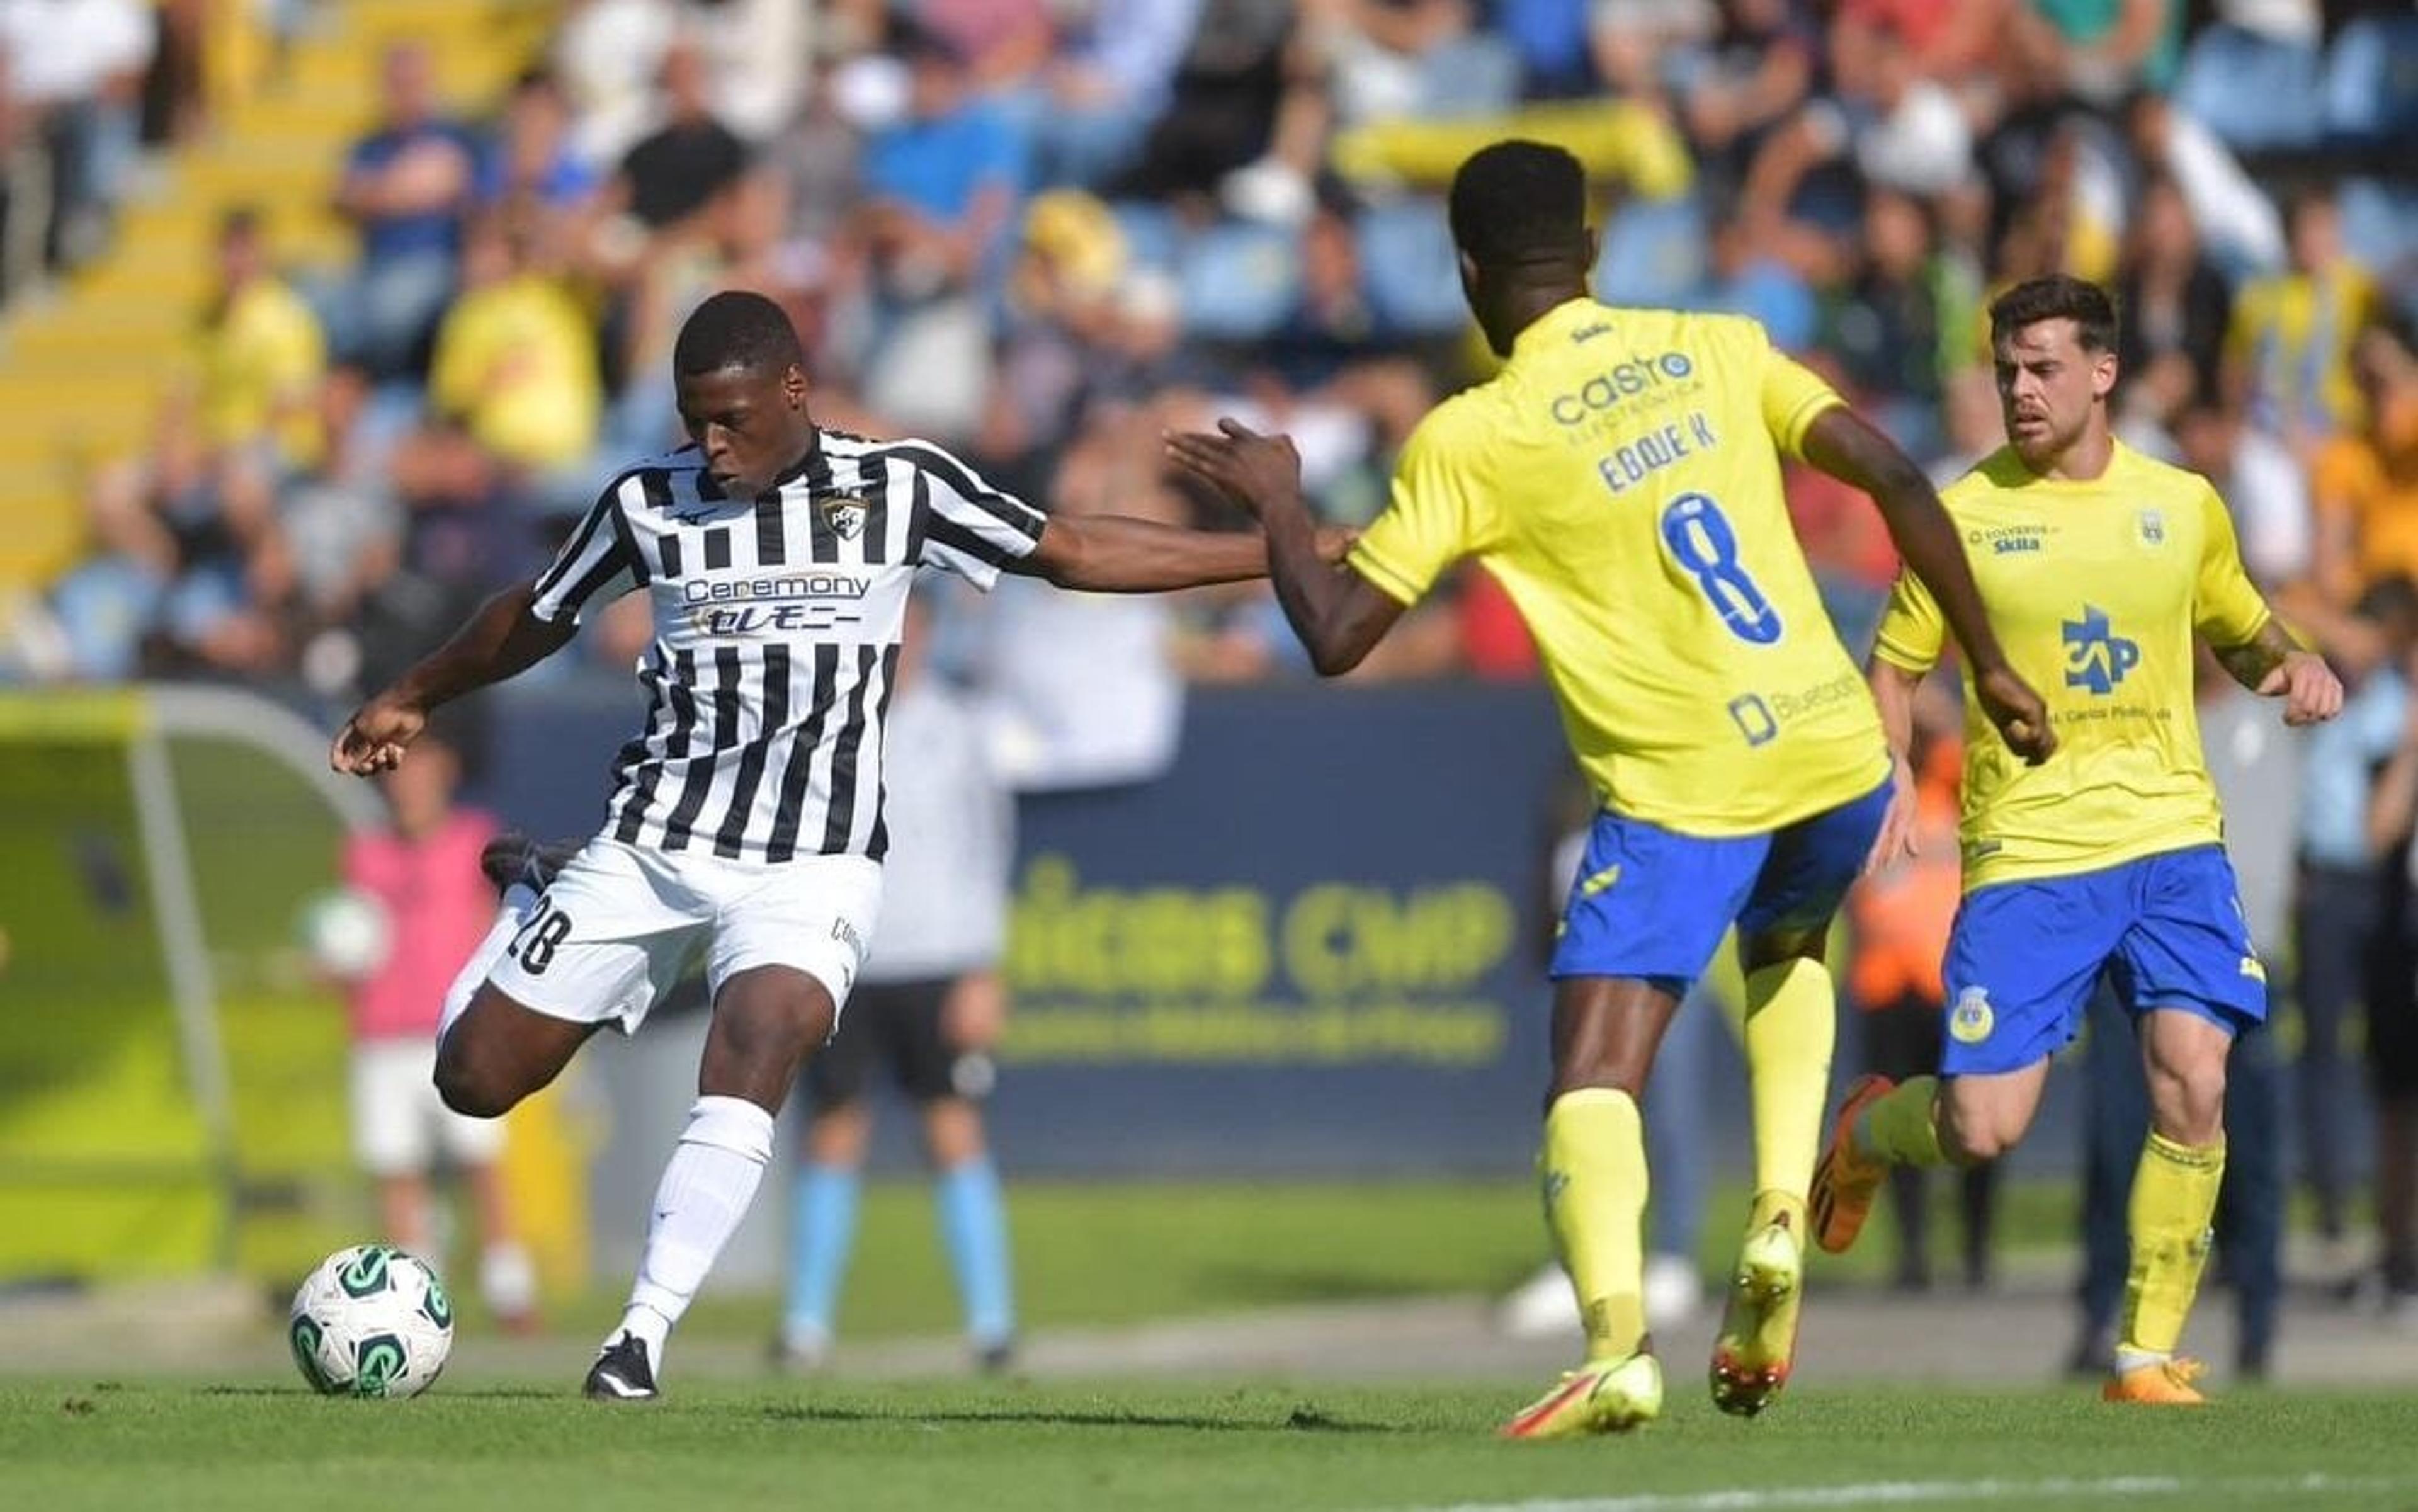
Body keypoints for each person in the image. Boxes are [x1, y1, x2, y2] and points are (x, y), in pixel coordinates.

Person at [1167, 139, 2053, 1438]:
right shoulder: (1719, 343)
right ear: (1590, 252)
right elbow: (1903, 479)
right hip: (1832, 755)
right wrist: (1988, 664)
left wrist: (1282, 504)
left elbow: (1339, 633)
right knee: (1790, 944)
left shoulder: (1473, 436)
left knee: (1592, 1068)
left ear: (1468, 273)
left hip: (1685, 785)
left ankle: (1616, 1347)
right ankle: (1775, 1207)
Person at [331, 289, 1300, 1402]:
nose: (713, 443)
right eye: (696, 418)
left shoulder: (899, 487)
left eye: (733, 417)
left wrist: (1278, 549)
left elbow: (1072, 550)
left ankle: (638, 1340)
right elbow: (538, 611)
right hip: (656, 842)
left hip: (814, 860)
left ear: (796, 389)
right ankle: (531, 900)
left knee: (765, 1031)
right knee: (473, 1082)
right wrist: (412, 692)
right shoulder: (651, 503)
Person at [1811, 274, 2345, 1406]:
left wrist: (2292, 663)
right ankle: (1872, 1132)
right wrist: (1892, 765)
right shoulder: (1961, 515)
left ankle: (2146, 1355)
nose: (2021, 389)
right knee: (1984, 1124)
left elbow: (2242, 630)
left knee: (2194, 1078)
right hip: (2032, 855)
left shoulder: (2183, 504)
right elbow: (1895, 665)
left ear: (2103, 373)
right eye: (2008, 369)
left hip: (2170, 840)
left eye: (2043, 366)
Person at [776, 591, 1019, 1374]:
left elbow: (990, 848)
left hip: (939, 959)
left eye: (912, 626)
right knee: (833, 1133)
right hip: (848, 957)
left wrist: (983, 967)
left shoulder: (959, 728)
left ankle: (992, 1324)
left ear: (928, 633)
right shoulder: (826, 724)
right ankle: (806, 1324)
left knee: (952, 1129)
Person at [331, 722, 538, 1333]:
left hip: (456, 1032)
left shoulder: (475, 842)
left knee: (483, 1165)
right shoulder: (363, 853)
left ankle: (511, 1291)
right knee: (397, 1171)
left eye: (422, 769)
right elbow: (353, 939)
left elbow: (497, 931)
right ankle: (416, 1303)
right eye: (399, 773)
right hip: (380, 1035)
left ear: (446, 771)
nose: (409, 785)